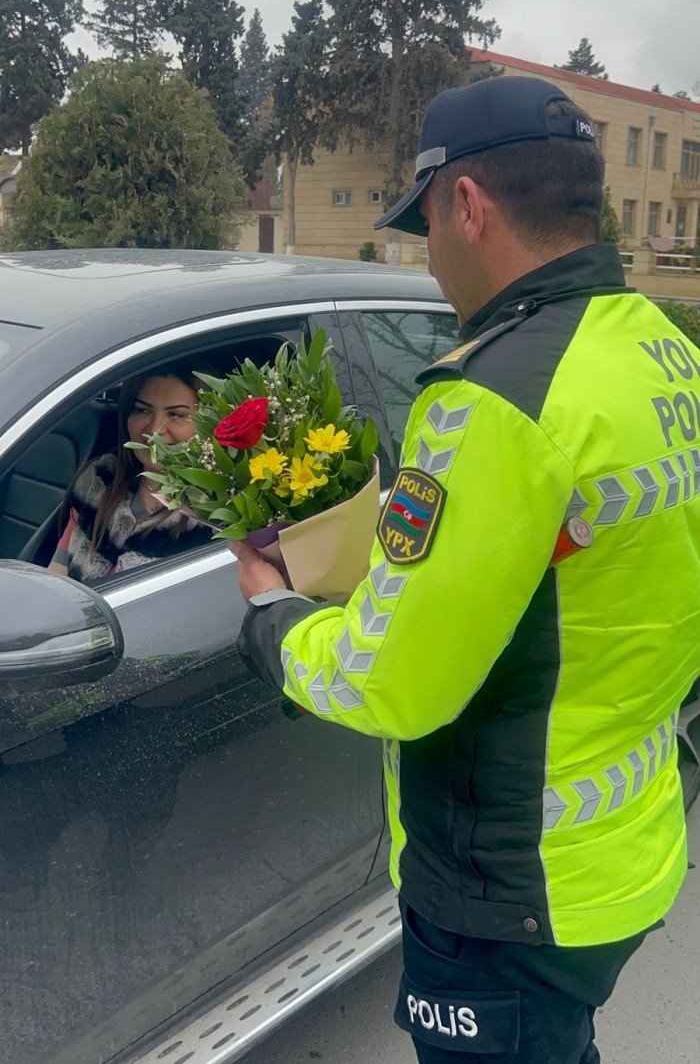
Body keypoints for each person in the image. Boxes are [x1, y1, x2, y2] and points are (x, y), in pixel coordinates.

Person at [233, 76, 700, 1062]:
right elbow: (570, 569)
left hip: (508, 889)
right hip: (622, 846)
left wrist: (272, 615)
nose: (428, 257)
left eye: (423, 229)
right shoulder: (658, 350)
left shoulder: (495, 399)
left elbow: (389, 678)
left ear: (467, 205)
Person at [49, 364, 213, 583]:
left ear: (209, 424)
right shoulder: (100, 480)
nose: (155, 429)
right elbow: (57, 571)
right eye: (142, 410)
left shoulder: (215, 516)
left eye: (176, 414)